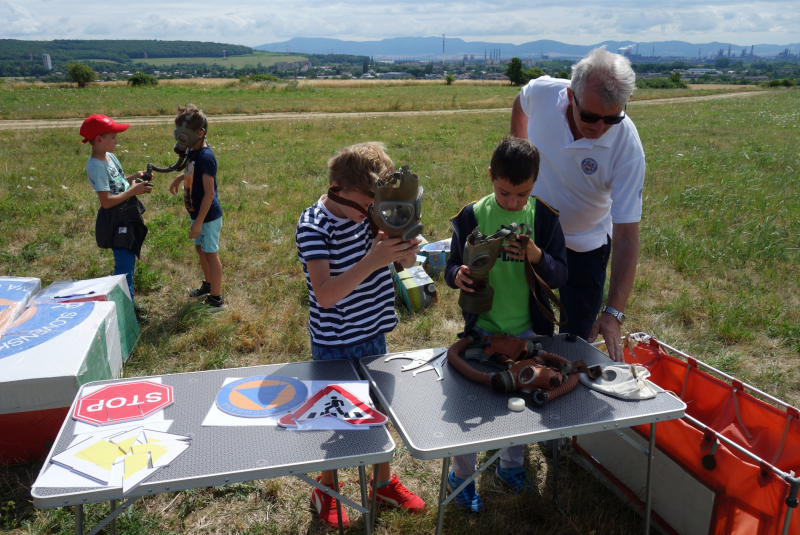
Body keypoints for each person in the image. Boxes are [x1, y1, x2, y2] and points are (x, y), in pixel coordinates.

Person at [295, 142, 426, 528]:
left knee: (377, 414)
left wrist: (405, 252)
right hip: (334, 342)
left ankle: (383, 483)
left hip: (373, 336)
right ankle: (327, 489)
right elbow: (326, 294)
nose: (374, 210)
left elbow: (407, 263)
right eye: (369, 201)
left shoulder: (373, 215)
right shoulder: (313, 226)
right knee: (336, 420)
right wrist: (373, 261)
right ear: (337, 187)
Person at [444, 137, 568, 511]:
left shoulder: (544, 217)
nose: (513, 202)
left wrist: (536, 255)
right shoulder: (471, 216)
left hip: (529, 333)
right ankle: (461, 478)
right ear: (490, 177)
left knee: (522, 401)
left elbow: (560, 273)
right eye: (504, 192)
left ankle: (511, 467)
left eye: (522, 194)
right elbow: (451, 265)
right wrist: (457, 276)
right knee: (470, 409)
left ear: (535, 182)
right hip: (482, 331)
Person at [510, 46, 645, 362]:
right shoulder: (545, 93)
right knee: (529, 333)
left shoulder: (627, 147)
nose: (599, 128)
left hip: (586, 249)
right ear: (571, 96)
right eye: (590, 116)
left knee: (577, 346)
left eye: (612, 118)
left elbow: (626, 235)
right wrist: (518, 153)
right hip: (535, 240)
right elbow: (522, 100)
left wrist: (613, 313)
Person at [81, 114, 151, 322]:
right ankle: (122, 309)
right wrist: (133, 191)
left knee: (129, 262)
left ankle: (126, 301)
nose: (117, 140)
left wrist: (134, 178)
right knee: (123, 267)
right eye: (113, 137)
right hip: (116, 219)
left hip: (127, 214)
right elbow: (107, 201)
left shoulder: (110, 157)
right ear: (99, 140)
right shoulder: (96, 166)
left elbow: (118, 182)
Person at [168, 104, 225, 310]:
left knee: (211, 254)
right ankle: (208, 284)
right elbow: (192, 171)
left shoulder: (206, 157)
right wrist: (178, 177)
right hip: (197, 213)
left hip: (207, 216)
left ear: (200, 134)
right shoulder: (193, 150)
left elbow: (209, 193)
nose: (181, 139)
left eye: (185, 135)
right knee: (201, 250)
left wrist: (199, 222)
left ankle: (216, 298)